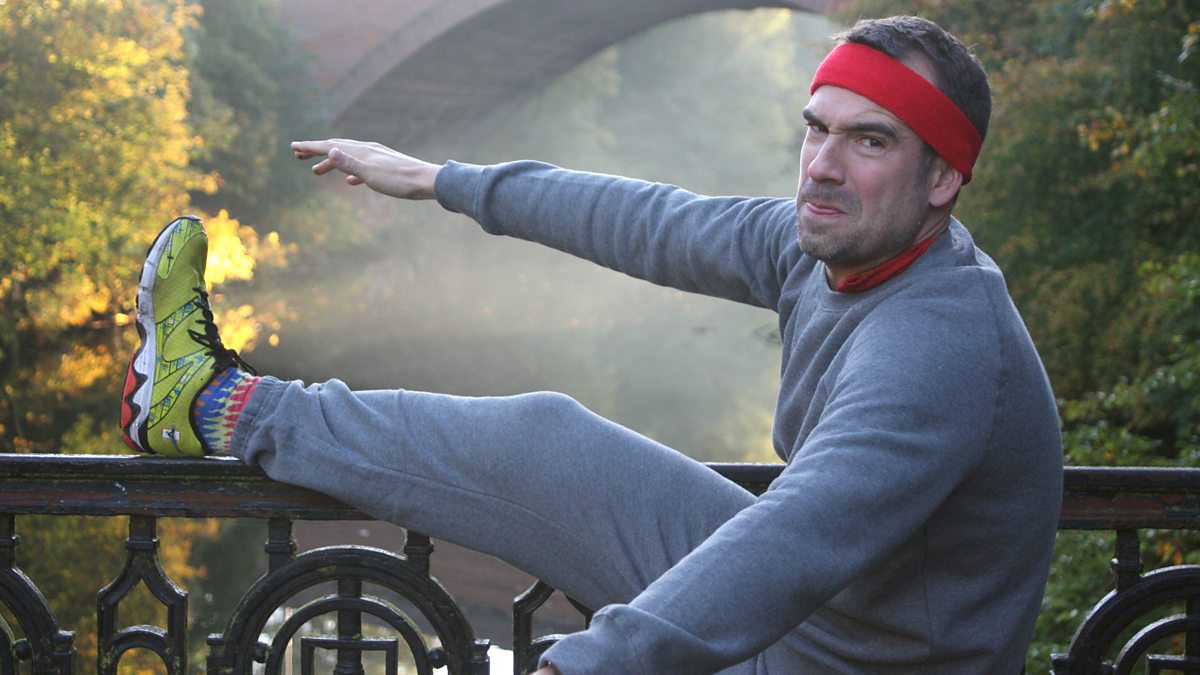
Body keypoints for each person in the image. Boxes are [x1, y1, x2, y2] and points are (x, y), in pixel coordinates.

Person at [118, 15, 1063, 674]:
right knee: (546, 435)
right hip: (816, 619)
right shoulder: (828, 243)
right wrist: (442, 180)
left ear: (943, 177)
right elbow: (649, 221)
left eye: (869, 142)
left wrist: (585, 664)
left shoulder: (936, 347)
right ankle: (208, 402)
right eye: (816, 129)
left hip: (847, 661)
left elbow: (795, 537)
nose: (820, 166)